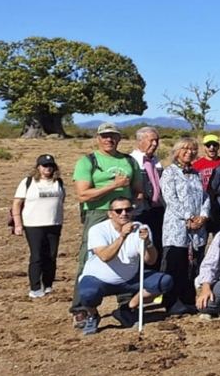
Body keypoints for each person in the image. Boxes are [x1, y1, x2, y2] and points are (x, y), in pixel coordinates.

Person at [70, 123, 145, 326]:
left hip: (124, 213)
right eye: (104, 136)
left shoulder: (129, 161)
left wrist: (132, 206)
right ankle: (81, 308)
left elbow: (138, 190)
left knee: (128, 255)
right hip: (98, 213)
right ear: (98, 138)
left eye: (113, 136)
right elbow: (83, 194)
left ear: (119, 139)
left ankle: (125, 306)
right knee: (88, 259)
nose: (109, 139)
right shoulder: (88, 161)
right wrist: (114, 185)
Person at [77, 197, 172, 336]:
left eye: (128, 210)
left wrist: (148, 243)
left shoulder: (140, 228)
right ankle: (93, 315)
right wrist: (122, 236)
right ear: (110, 214)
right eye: (118, 210)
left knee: (164, 281)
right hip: (98, 279)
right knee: (88, 294)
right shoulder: (97, 230)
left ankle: (127, 309)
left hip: (129, 278)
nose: (124, 213)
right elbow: (105, 256)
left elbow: (150, 261)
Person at [159, 137, 210, 315]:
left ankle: (188, 299)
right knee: (176, 263)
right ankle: (172, 302)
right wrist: (188, 217)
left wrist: (203, 216)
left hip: (197, 227)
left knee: (193, 264)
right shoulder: (169, 173)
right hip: (177, 226)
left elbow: (205, 197)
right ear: (177, 151)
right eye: (185, 149)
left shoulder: (196, 173)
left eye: (193, 149)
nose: (189, 152)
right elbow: (170, 198)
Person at [12, 153, 65, 297]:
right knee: (37, 256)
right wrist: (18, 224)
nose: (48, 168)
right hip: (33, 224)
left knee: (51, 256)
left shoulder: (58, 182)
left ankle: (48, 285)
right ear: (38, 167)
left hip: (54, 223)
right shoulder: (28, 182)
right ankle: (35, 288)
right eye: (44, 165)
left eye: (50, 165)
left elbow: (61, 201)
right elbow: (17, 203)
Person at [129, 127, 164, 262]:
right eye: (152, 140)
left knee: (157, 245)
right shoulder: (132, 161)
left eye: (157, 140)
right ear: (140, 141)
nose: (155, 144)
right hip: (140, 211)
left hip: (158, 210)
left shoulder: (156, 160)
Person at [195, 134, 220, 234]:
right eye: (208, 145)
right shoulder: (197, 165)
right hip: (202, 204)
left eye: (214, 145)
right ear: (204, 147)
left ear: (218, 147)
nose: (212, 148)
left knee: (219, 234)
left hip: (219, 203)